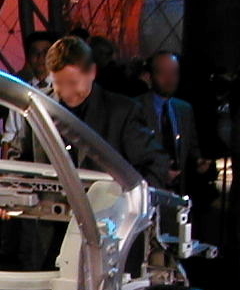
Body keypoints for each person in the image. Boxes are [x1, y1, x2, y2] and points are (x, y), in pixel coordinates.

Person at [10, 35, 172, 188]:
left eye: (73, 83)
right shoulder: (39, 110)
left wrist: (131, 201)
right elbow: (20, 162)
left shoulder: (121, 112)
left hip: (107, 207)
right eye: (60, 83)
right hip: (50, 207)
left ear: (92, 72)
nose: (67, 92)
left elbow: (156, 163)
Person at [136, 51, 215, 209]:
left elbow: (191, 148)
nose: (170, 79)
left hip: (177, 193)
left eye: (174, 73)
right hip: (145, 194)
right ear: (149, 76)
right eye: (163, 73)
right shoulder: (135, 108)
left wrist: (198, 162)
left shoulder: (184, 109)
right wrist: (159, 172)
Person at [0, 30, 58, 158]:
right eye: (35, 53)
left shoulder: (64, 91)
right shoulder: (20, 93)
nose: (40, 57)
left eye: (45, 52)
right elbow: (10, 134)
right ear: (28, 58)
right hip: (26, 160)